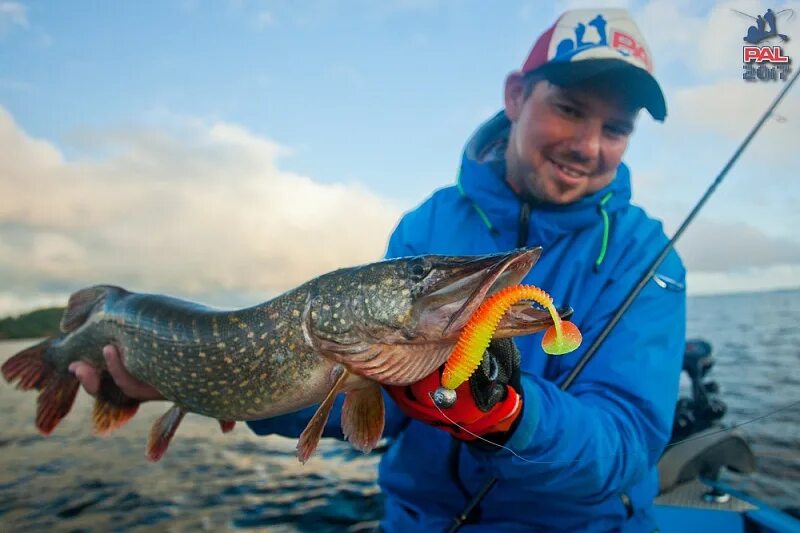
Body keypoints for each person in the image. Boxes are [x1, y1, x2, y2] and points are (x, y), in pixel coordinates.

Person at [70, 8, 686, 532]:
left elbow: (628, 445)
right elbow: (376, 402)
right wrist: (211, 387)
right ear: (516, 97)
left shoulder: (648, 259)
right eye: (571, 109)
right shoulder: (429, 223)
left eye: (616, 129)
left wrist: (510, 412)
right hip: (420, 520)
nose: (588, 145)